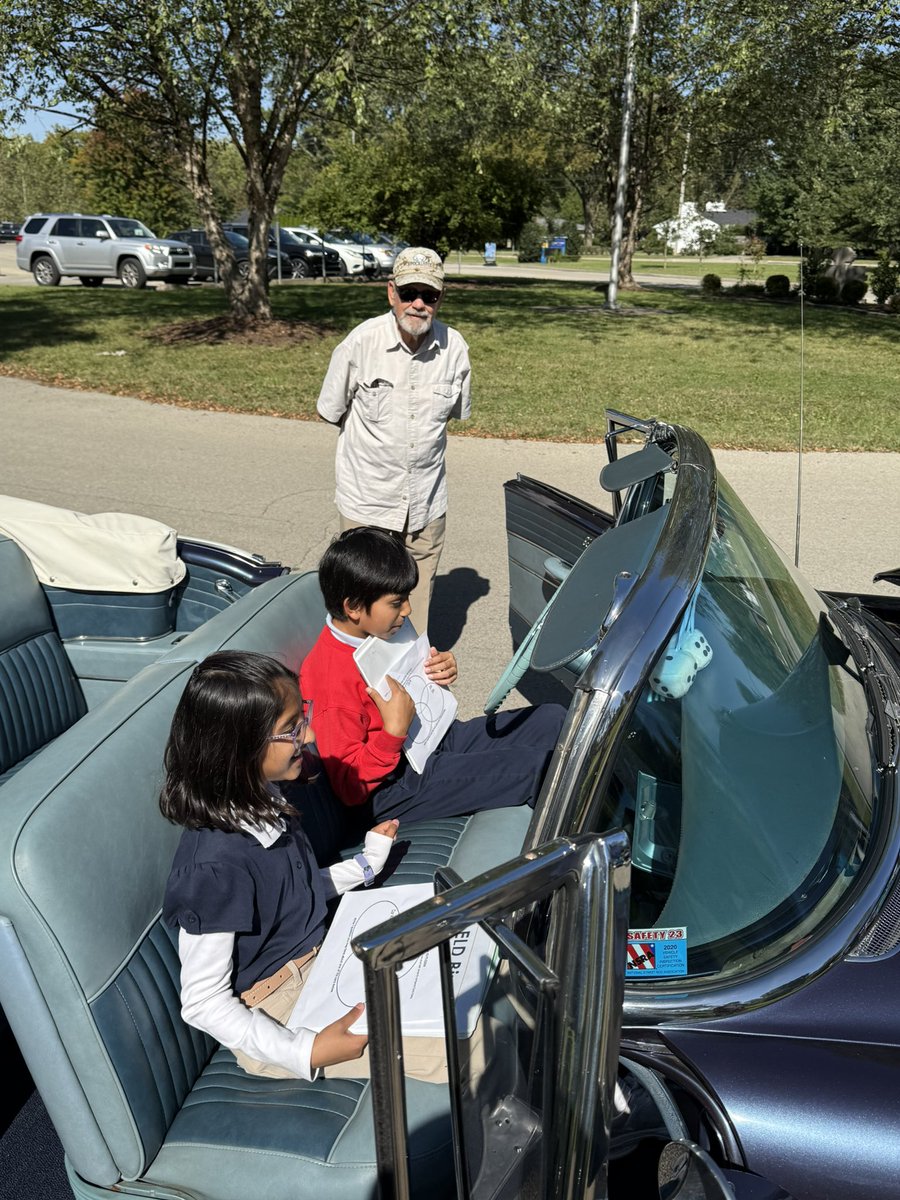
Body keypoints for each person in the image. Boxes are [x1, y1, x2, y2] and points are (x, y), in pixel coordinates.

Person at [160, 649, 410, 1081]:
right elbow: (202, 1001)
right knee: (460, 1039)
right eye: (291, 729)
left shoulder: (267, 800)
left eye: (302, 718)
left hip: (321, 959)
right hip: (279, 1012)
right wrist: (307, 1050)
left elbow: (292, 893)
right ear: (239, 749)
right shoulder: (214, 869)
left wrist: (366, 866)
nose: (309, 736)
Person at [300, 527, 566, 823]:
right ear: (353, 607)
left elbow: (420, 690)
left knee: (554, 719)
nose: (408, 610)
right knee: (535, 769)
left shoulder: (377, 630)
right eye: (396, 602)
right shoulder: (330, 681)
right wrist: (392, 733)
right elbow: (350, 787)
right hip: (393, 786)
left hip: (431, 739)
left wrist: (439, 671)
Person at [316, 246, 471, 637]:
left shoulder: (455, 349)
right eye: (408, 293)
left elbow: (454, 414)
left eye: (429, 295)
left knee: (415, 613)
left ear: (440, 298)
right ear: (391, 293)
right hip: (369, 500)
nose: (418, 304)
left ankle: (411, 683)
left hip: (426, 505)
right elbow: (330, 409)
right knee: (361, 613)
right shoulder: (360, 344)